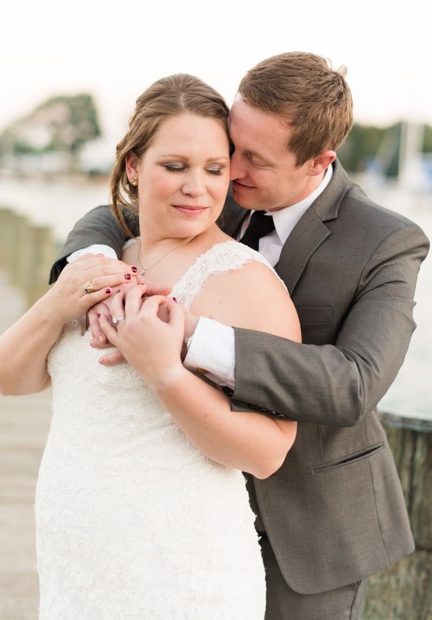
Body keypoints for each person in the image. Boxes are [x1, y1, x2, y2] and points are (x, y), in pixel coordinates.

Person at [53, 52, 430, 619]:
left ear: (318, 161)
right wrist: (91, 264)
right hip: (187, 504)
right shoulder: (211, 188)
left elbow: (354, 384)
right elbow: (118, 212)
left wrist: (189, 336)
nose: (230, 168)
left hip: (308, 523)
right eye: (233, 145)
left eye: (253, 158)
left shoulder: (386, 241)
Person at [0, 73, 302, 618]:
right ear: (134, 165)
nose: (197, 187)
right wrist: (58, 302)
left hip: (181, 573)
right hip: (77, 569)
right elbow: (12, 379)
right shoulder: (99, 261)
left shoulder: (243, 279)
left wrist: (166, 374)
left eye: (214, 169)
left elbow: (269, 451)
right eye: (175, 166)